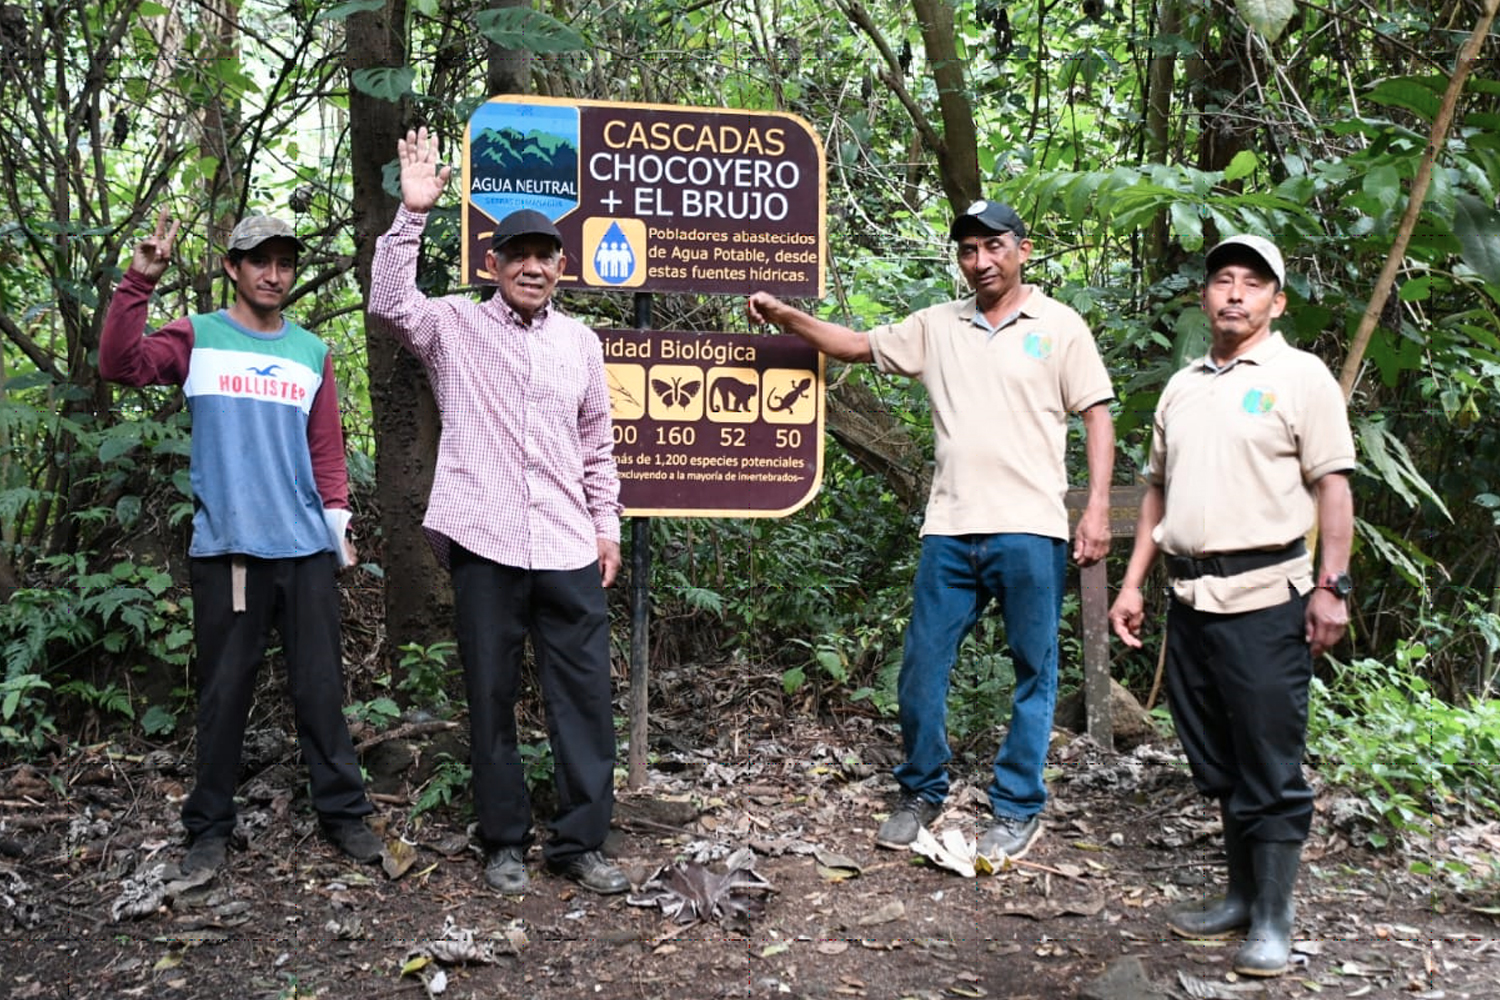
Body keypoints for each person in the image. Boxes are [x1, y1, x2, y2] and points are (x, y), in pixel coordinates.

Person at [747, 200, 1116, 861]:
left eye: (993, 247)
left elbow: (1096, 416)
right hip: (950, 527)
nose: (981, 261)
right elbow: (856, 346)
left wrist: (1092, 510)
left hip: (1031, 527)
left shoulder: (1059, 327)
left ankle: (1016, 806)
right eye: (968, 251)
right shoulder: (937, 326)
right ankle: (921, 788)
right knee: (921, 666)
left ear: (1023, 250)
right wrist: (787, 316)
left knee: (1035, 671)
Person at [367, 127, 627, 895]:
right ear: (494, 265)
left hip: (566, 543)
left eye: (545, 255)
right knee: (490, 695)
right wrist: (412, 214)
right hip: (484, 540)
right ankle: (505, 841)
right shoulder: (453, 325)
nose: (533, 267)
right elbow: (387, 304)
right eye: (518, 255)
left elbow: (597, 443)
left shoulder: (581, 343)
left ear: (560, 267)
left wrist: (606, 525)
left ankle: (581, 843)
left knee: (582, 698)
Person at [100, 211, 383, 874]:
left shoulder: (312, 351)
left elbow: (327, 451)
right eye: (261, 261)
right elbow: (121, 365)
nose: (274, 274)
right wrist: (138, 281)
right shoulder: (199, 336)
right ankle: (208, 829)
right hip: (229, 551)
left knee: (319, 691)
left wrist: (337, 522)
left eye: (285, 263)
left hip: (305, 552)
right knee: (225, 693)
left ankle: (345, 817)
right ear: (234, 266)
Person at [1108, 234, 1355, 977]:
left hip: (1265, 597)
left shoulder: (1300, 377)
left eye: (1252, 283)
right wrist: (1131, 582)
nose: (1235, 293)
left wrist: (1332, 587)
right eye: (1223, 280)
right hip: (1190, 597)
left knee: (1270, 760)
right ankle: (1241, 897)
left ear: (1276, 302)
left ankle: (1275, 919)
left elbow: (1334, 487)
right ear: (1205, 296)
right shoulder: (1183, 386)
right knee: (1217, 756)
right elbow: (1156, 490)